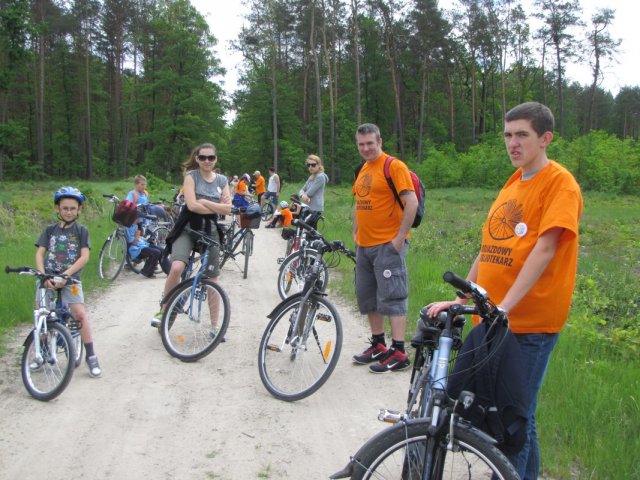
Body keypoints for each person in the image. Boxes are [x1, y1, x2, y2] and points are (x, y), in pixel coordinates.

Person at [426, 102, 583, 480]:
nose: (513, 143)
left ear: (545, 138)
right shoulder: (514, 181)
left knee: (513, 419)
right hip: (496, 319)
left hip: (528, 324)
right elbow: (490, 247)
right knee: (519, 415)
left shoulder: (560, 184)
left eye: (522, 135)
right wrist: (462, 298)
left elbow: (545, 248)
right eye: (508, 135)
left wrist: (504, 308)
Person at [351, 123, 418, 373]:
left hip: (387, 244)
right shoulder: (362, 169)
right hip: (364, 245)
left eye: (370, 143)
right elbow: (359, 201)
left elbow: (411, 202)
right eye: (361, 144)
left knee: (393, 295)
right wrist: (355, 231)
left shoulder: (394, 166)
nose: (366, 148)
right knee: (368, 296)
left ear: (379, 142)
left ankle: (399, 352)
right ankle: (378, 345)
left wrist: (399, 239)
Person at [151, 143, 232, 331]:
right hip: (188, 227)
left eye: (211, 157)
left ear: (216, 159)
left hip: (210, 230)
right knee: (177, 267)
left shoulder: (222, 180)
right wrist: (215, 205)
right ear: (197, 158)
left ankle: (214, 326)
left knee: (212, 278)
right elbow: (192, 206)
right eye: (203, 157)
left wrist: (203, 201)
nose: (207, 161)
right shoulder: (191, 176)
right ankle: (163, 309)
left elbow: (228, 209)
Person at [35, 186, 102, 378]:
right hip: (48, 279)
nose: (69, 212)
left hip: (70, 280)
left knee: (79, 314)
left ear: (79, 210)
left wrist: (66, 275)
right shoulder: (50, 230)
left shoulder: (81, 231)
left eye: (73, 208)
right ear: (57, 208)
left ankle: (91, 356)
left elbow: (84, 257)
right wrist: (43, 275)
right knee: (41, 313)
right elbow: (39, 254)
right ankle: (42, 352)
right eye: (65, 208)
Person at [298, 154, 328, 227]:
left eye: (313, 165)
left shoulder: (320, 177)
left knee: (310, 230)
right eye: (308, 165)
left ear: (319, 165)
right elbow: (301, 190)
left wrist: (304, 195)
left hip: (315, 209)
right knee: (304, 229)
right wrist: (303, 195)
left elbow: (310, 193)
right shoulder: (311, 176)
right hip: (308, 206)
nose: (310, 167)